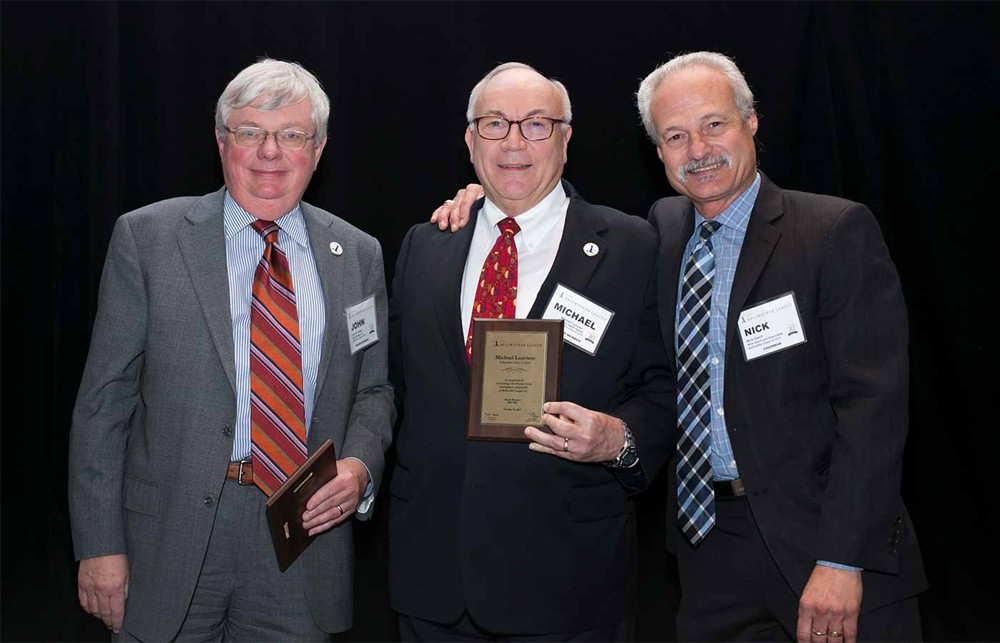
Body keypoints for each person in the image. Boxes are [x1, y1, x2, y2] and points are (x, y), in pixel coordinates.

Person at [431, 52, 926, 643]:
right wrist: (487, 198)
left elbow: (873, 411)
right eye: (675, 136)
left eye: (714, 125)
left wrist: (843, 560)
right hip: (706, 547)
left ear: (752, 122)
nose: (699, 150)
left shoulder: (831, 232)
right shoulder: (659, 234)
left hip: (822, 546)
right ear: (658, 151)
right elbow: (557, 213)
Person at [68, 58, 394, 641]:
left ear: (317, 150)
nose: (271, 152)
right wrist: (99, 546)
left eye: (291, 135)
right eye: (250, 132)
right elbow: (102, 406)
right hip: (167, 539)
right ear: (222, 142)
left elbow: (373, 388)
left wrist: (361, 464)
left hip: (300, 535)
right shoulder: (149, 239)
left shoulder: (358, 254)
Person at [389, 62, 673, 641]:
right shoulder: (424, 245)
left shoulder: (634, 247)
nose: (514, 141)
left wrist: (619, 439)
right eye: (494, 124)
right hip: (435, 584)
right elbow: (391, 386)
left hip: (569, 584)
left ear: (566, 140)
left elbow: (665, 385)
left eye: (536, 124)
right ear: (470, 142)